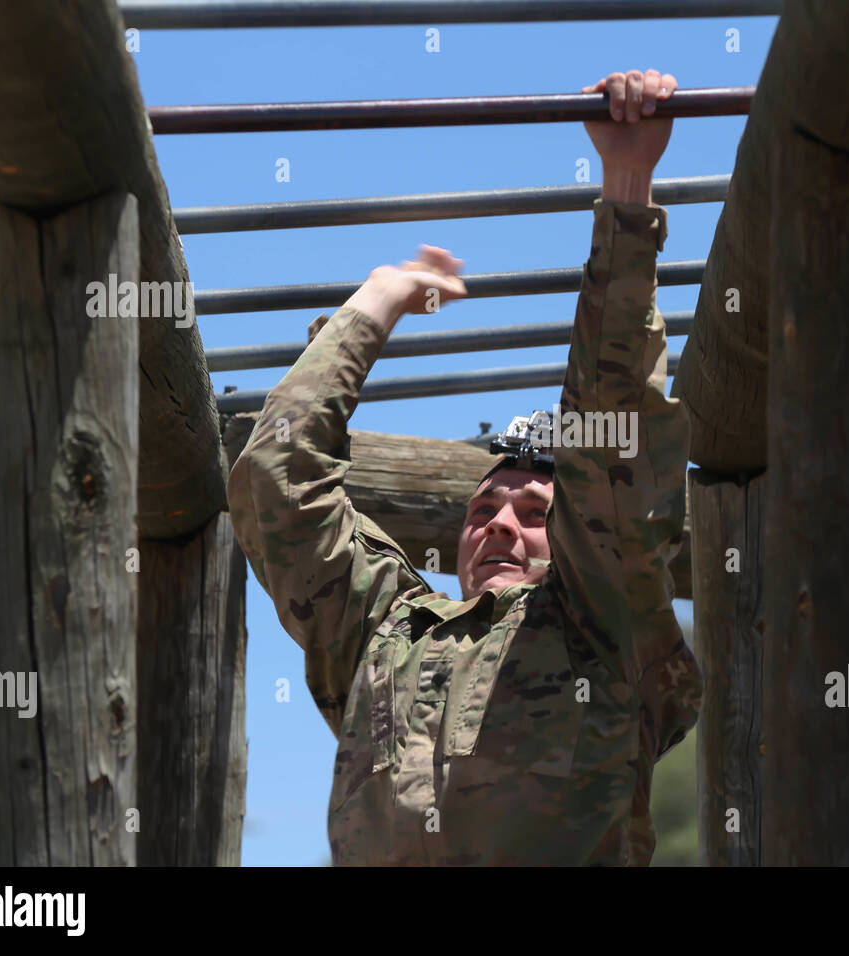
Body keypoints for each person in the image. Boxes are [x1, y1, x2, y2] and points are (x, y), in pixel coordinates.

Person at [227, 68, 702, 865]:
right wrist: (374, 306)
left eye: (532, 512)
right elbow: (274, 478)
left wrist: (626, 188)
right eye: (483, 512)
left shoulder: (597, 623)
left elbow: (612, 443)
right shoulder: (384, 632)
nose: (501, 527)